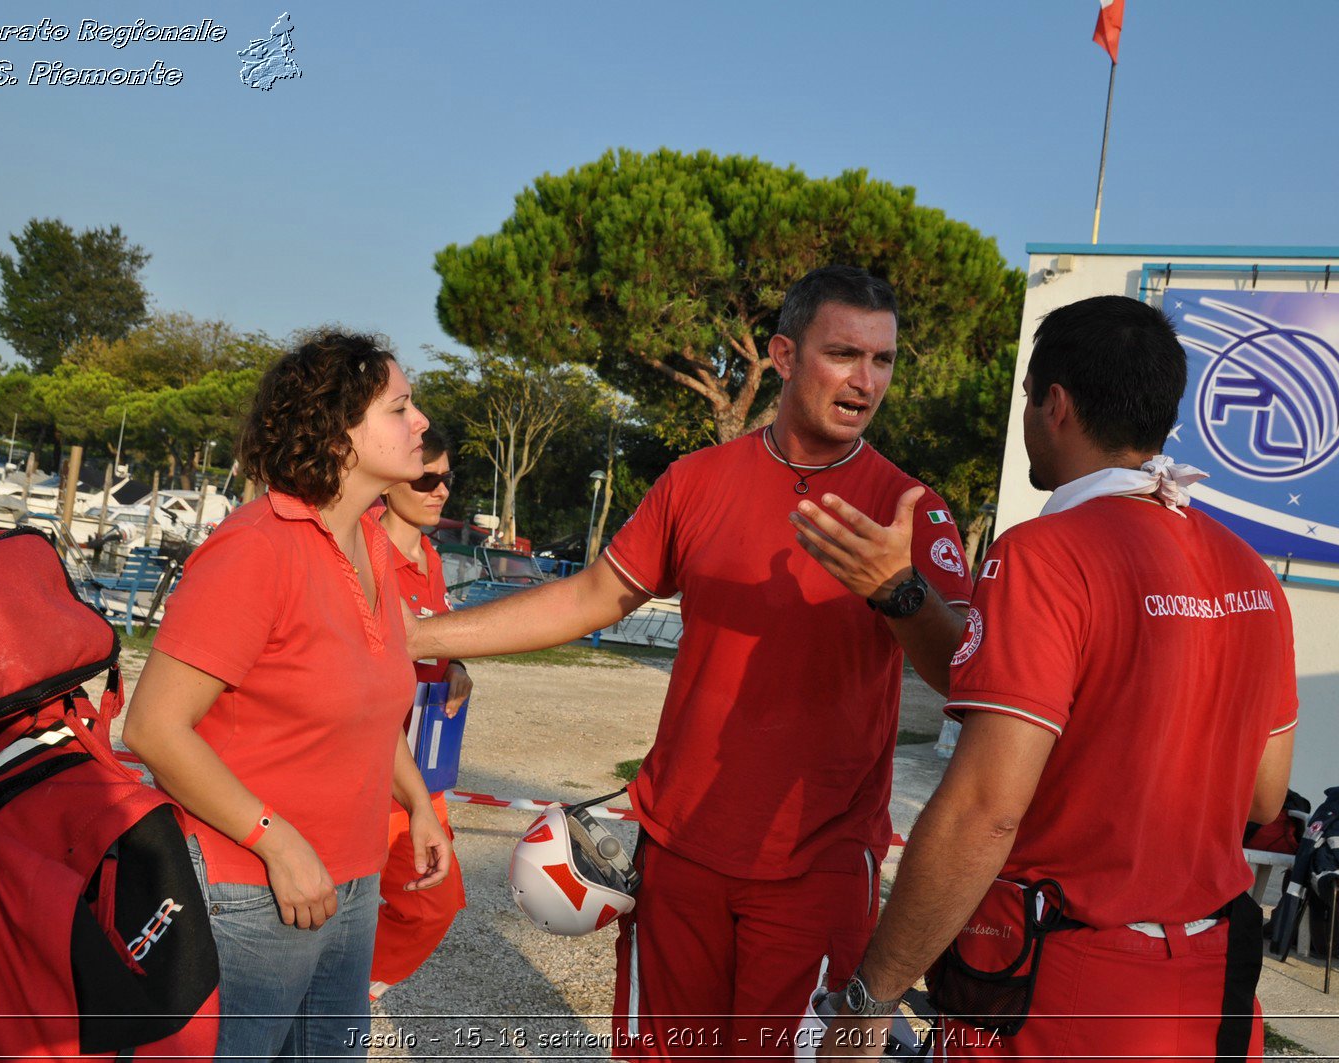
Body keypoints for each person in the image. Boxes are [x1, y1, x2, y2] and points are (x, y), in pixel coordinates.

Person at [413, 265, 973, 1059]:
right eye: (844, 353)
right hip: (677, 857)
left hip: (817, 871)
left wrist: (900, 591)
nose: (866, 380)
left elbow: (967, 677)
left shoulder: (909, 508)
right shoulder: (697, 481)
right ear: (782, 353)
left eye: (882, 360)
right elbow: (590, 598)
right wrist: (419, 635)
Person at [818, 295, 1298, 1063]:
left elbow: (984, 810)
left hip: (1064, 993)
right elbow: (1263, 797)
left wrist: (871, 996)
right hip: (1211, 994)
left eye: (1025, 399)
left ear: (1057, 404)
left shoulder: (1043, 554)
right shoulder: (1249, 570)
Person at [122, 331, 451, 1062]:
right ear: (339, 433)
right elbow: (152, 727)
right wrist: (277, 839)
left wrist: (419, 802)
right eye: (400, 407)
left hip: (353, 877)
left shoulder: (370, 538)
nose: (420, 421)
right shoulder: (256, 549)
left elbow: (369, 704)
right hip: (253, 885)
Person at [368, 426, 474, 1000]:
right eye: (426, 479)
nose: (440, 492)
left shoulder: (430, 557)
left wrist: (457, 667)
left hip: (423, 768)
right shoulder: (367, 555)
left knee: (433, 904)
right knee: (422, 903)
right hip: (376, 766)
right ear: (389, 484)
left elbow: (433, 642)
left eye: (446, 480)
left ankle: (338, 998)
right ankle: (330, 1004)